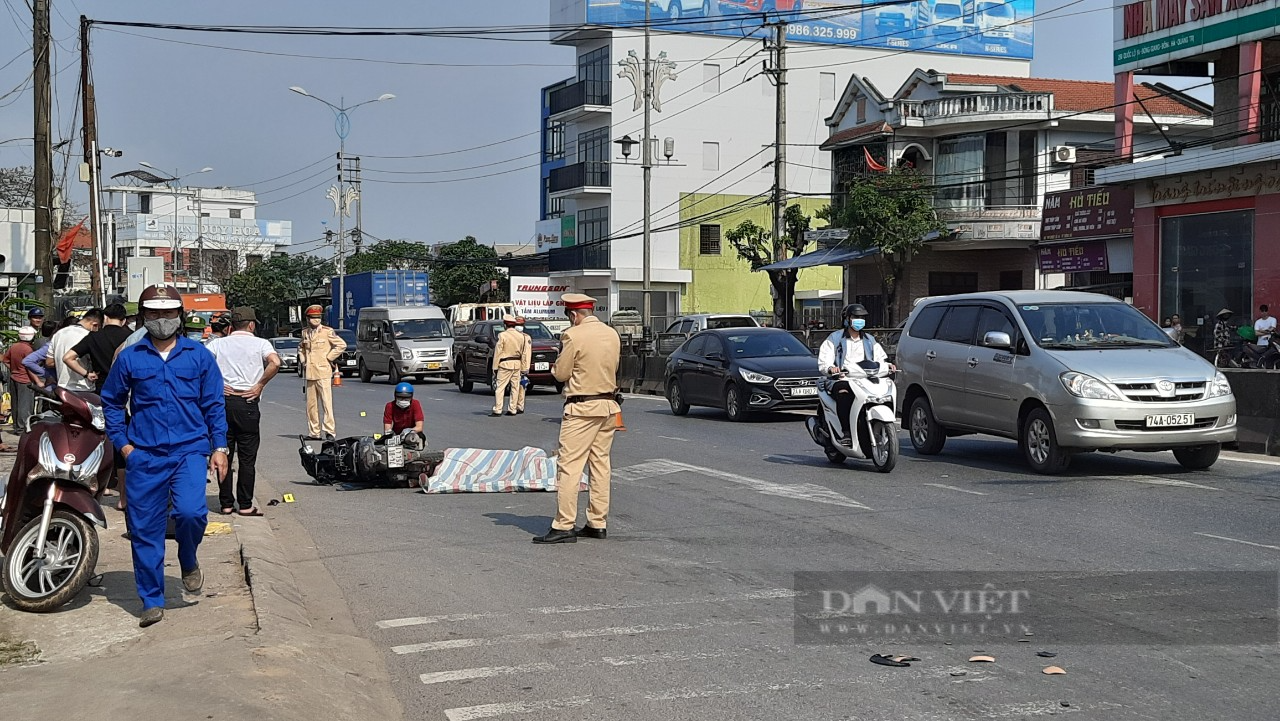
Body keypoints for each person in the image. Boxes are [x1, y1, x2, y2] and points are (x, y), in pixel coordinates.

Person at [102, 284, 228, 628]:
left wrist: (219, 447)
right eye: (154, 313)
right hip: (144, 454)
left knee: (191, 513)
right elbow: (112, 401)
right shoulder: (130, 356)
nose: (162, 319)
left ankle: (188, 557)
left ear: (179, 316)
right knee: (145, 530)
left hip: (189, 450)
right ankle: (151, 600)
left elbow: (214, 404)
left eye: (168, 312)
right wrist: (124, 445)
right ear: (143, 316)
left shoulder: (199, 355)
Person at [533, 294, 621, 545]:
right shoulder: (611, 333)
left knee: (570, 467)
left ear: (573, 315)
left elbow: (561, 374)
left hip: (581, 408)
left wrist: (554, 366)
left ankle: (564, 524)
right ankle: (597, 522)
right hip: (607, 405)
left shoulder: (573, 335)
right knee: (601, 465)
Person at [206, 306, 280, 517]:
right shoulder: (261, 344)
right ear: (251, 325)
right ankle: (245, 504)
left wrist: (218, 384)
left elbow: (201, 365)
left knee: (223, 453)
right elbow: (275, 362)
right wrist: (260, 385)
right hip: (248, 402)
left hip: (223, 404)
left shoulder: (218, 344)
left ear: (230, 326)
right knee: (247, 459)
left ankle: (226, 504)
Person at [816, 303, 896, 447]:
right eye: (855, 317)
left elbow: (881, 358)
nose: (859, 320)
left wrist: (888, 365)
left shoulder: (870, 340)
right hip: (842, 379)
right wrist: (831, 369)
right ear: (847, 319)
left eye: (862, 317)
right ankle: (846, 433)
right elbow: (824, 362)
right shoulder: (834, 338)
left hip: (867, 380)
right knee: (843, 392)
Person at [299, 304, 346, 439]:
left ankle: (330, 431)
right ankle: (314, 432)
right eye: (313, 318)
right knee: (311, 405)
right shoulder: (305, 332)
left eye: (318, 318)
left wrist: (329, 357)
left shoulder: (327, 331)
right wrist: (303, 361)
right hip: (310, 372)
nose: (316, 320)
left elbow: (341, 345)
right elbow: (301, 348)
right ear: (308, 319)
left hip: (323, 371)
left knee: (326, 403)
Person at [64, 303, 132, 394]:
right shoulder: (132, 337)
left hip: (103, 386)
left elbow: (68, 358)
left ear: (105, 318)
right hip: (127, 385)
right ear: (123, 321)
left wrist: (86, 374)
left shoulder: (94, 336)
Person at [50, 308, 103, 391]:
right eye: (99, 328)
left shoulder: (58, 333)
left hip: (62, 387)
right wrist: (86, 374)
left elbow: (49, 361)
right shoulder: (89, 336)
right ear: (94, 325)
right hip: (83, 387)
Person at [491, 315, 530, 417]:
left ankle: (498, 409)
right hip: (517, 364)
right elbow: (523, 353)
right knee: (515, 387)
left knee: (500, 387)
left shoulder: (502, 335)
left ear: (505, 325)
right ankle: (512, 408)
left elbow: (498, 352)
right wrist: (524, 367)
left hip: (505, 364)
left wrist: (495, 367)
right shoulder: (522, 336)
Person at [3, 326, 37, 433]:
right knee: (25, 404)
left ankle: (17, 427)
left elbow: (5, 360)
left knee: (15, 403)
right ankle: (22, 428)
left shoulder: (14, 346)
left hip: (14, 377)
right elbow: (30, 367)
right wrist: (37, 380)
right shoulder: (28, 350)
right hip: (25, 379)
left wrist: (13, 369)